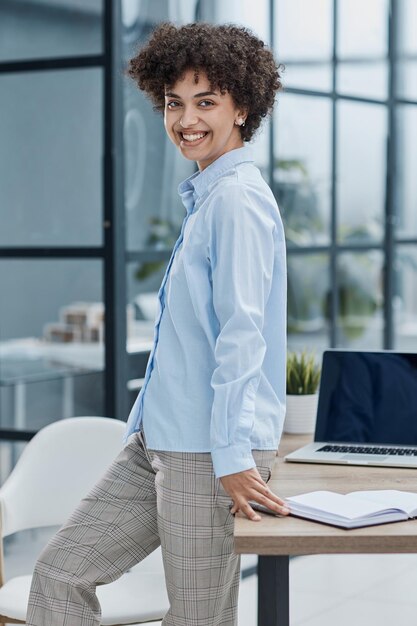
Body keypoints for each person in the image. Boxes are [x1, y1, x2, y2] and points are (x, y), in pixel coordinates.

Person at [26, 22, 289, 626]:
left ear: (242, 107)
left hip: (208, 449)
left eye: (206, 102)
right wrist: (143, 429)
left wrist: (232, 454)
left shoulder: (236, 200)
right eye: (174, 103)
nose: (186, 119)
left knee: (197, 617)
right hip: (158, 441)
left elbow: (241, 335)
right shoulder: (207, 196)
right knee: (59, 575)